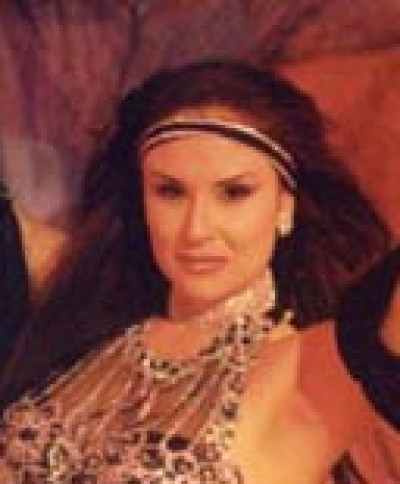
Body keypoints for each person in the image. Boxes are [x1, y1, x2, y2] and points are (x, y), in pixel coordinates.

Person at [0, 60, 398, 483]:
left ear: (285, 206)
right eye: (170, 191)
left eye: (234, 193)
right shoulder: (81, 318)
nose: (196, 229)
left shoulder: (306, 373)